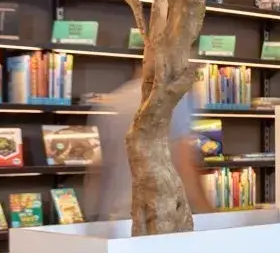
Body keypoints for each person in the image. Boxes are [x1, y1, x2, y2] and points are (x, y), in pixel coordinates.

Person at [86, 71, 210, 223]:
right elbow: (187, 174)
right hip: (154, 220)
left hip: (113, 219)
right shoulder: (174, 98)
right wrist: (212, 219)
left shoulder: (111, 102)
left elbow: (96, 175)